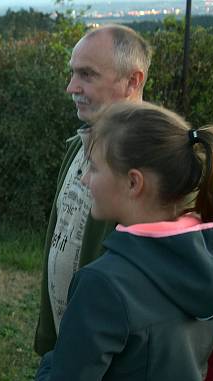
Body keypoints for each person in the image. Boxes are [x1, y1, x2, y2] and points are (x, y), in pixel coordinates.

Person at [34, 101, 213, 381]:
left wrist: (49, 364)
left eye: (93, 169)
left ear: (133, 182)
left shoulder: (104, 285)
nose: (84, 180)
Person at [34, 24, 151, 356]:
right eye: (73, 73)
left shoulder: (152, 168)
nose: (72, 87)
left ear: (133, 80)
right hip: (67, 351)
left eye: (87, 75)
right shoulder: (79, 144)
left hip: (109, 366)